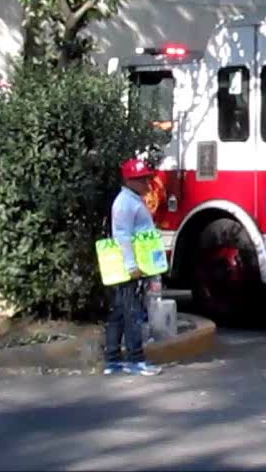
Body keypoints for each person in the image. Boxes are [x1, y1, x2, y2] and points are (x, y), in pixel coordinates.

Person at [103, 158, 162, 376]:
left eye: (147, 177)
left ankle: (113, 360)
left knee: (120, 312)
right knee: (132, 312)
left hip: (136, 265)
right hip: (131, 267)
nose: (147, 182)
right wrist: (131, 266)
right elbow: (123, 237)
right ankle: (135, 360)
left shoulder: (132, 200)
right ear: (130, 180)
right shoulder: (124, 204)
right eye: (142, 179)